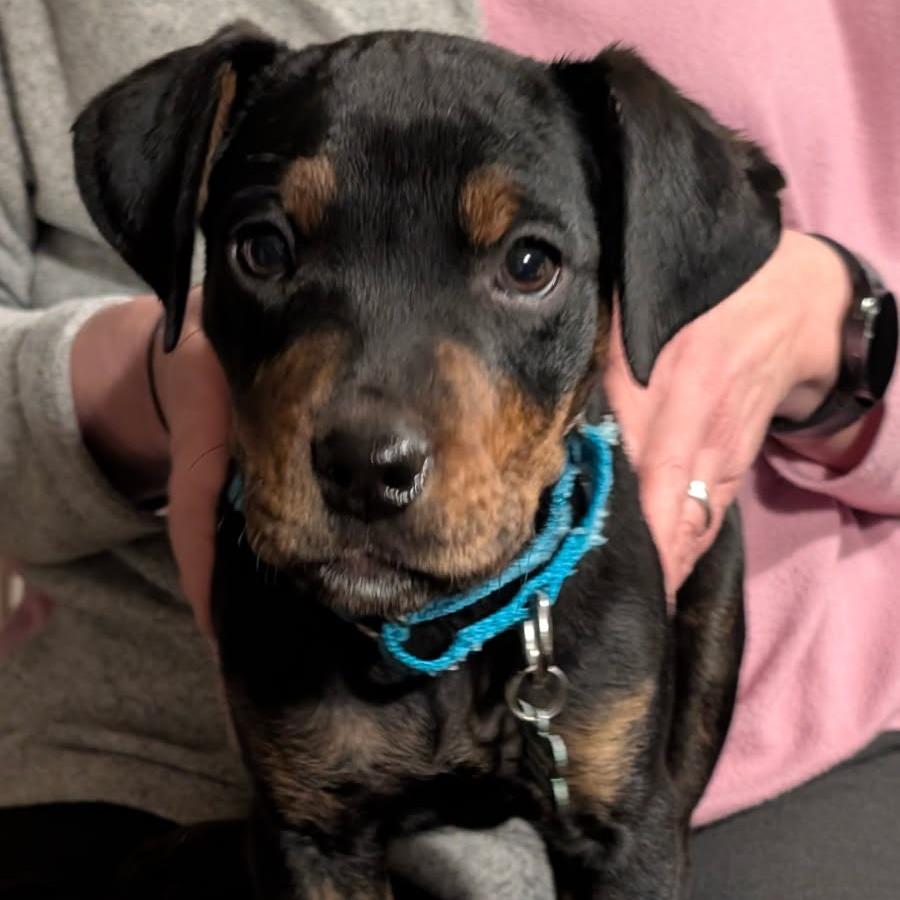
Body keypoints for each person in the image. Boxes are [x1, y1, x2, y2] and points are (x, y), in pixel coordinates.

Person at [0, 1, 896, 898]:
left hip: (792, 752)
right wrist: (136, 382)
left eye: (526, 265)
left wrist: (840, 321)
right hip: (137, 754)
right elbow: (312, 843)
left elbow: (627, 842)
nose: (375, 441)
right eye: (267, 250)